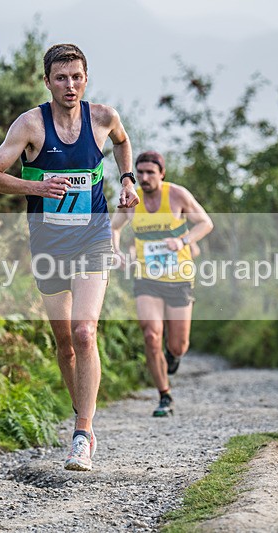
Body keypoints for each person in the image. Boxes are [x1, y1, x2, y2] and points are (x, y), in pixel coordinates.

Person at [0, 43, 139, 471]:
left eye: (76, 76)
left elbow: (124, 144)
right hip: (49, 244)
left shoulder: (104, 118)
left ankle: (83, 434)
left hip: (93, 236)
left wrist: (127, 180)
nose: (69, 85)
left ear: (86, 78)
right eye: (60, 78)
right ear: (47, 81)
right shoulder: (30, 124)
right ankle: (82, 415)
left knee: (85, 331)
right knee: (65, 343)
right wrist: (38, 187)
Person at [111, 150, 213, 417]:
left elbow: (205, 223)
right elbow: (114, 227)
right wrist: (117, 251)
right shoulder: (132, 199)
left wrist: (182, 241)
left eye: (149, 172)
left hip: (179, 277)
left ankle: (174, 356)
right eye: (139, 172)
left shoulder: (177, 195)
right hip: (147, 278)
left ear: (161, 174)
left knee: (178, 345)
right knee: (151, 334)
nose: (144, 178)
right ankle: (164, 396)